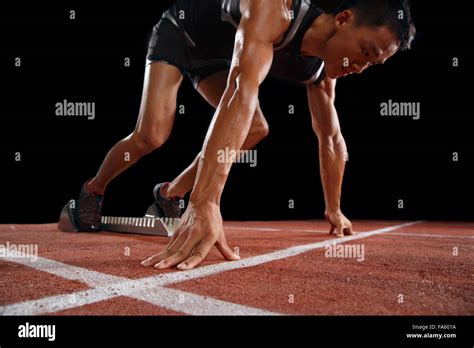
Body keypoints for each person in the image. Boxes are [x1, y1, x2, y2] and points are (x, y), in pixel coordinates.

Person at [73, 0, 416, 270]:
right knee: (151, 135)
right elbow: (240, 90)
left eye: (372, 65)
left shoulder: (322, 74)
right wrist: (207, 199)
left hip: (218, 58)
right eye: (366, 52)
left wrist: (334, 209)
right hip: (181, 31)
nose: (360, 67)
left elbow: (331, 139)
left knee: (256, 128)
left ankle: (168, 192)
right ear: (343, 19)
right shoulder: (278, 9)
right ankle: (93, 191)